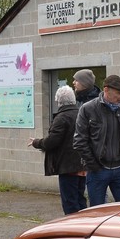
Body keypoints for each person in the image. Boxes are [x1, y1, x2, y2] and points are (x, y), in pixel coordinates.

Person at [72, 74, 120, 206]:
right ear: (106, 90)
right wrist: (94, 166)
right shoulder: (88, 109)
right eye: (119, 93)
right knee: (97, 213)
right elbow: (79, 141)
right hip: (97, 171)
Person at [30, 85, 87, 214]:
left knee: (70, 202)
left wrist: (36, 142)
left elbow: (52, 141)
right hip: (82, 164)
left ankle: (72, 229)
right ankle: (83, 227)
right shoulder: (81, 114)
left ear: (59, 101)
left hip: (67, 166)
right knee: (80, 199)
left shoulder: (61, 118)